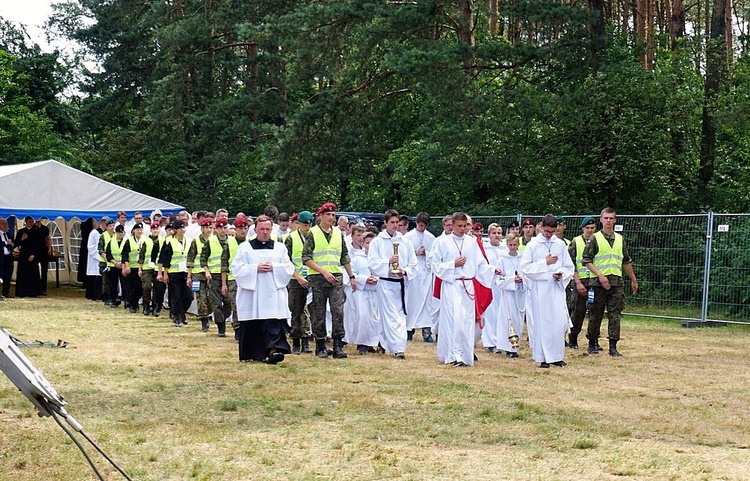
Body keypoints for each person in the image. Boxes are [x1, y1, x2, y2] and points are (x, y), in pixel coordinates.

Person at [431, 212, 499, 367]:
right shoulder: (443, 242)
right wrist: (452, 264)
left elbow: (480, 264)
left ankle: (466, 355)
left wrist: (492, 269)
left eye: (464, 226)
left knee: (467, 321)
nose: (462, 229)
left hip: (468, 286)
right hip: (452, 285)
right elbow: (435, 265)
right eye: (459, 226)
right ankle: (454, 355)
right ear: (452, 225)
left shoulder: (472, 242)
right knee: (454, 320)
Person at [232, 215, 294, 363]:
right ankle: (254, 353)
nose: (265, 232)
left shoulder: (280, 247)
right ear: (255, 230)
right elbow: (237, 269)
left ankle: (274, 351)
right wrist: (255, 268)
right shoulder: (245, 248)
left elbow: (289, 268)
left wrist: (274, 267)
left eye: (268, 229)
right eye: (262, 229)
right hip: (252, 295)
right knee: (254, 323)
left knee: (272, 322)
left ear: (272, 229)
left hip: (273, 293)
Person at [582, 207, 639, 357]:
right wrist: (600, 276)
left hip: (616, 282)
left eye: (611, 218)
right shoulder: (595, 238)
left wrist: (633, 279)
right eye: (605, 218)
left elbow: (626, 261)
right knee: (596, 313)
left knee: (615, 314)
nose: (608, 221)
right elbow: (586, 260)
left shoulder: (620, 239)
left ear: (615, 220)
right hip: (598, 282)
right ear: (601, 219)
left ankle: (613, 346)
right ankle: (592, 342)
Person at [302, 202, 357, 359]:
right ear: (321, 216)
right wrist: (323, 271)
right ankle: (320, 345)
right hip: (318, 277)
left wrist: (351, 276)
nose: (331, 218)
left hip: (336, 277)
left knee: (338, 311)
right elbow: (306, 258)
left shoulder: (338, 234)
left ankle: (338, 344)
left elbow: (344, 256)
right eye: (328, 215)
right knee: (318, 311)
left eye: (333, 215)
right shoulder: (313, 233)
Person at [520, 214, 574, 368]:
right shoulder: (533, 245)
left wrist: (561, 273)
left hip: (555, 288)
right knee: (543, 322)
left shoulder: (560, 244)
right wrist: (545, 263)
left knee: (558, 322)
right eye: (547, 231)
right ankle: (543, 356)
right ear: (542, 227)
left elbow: (568, 266)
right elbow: (525, 268)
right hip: (540, 288)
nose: (549, 235)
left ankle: (557, 356)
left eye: (552, 231)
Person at [368, 210, 417, 359]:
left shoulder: (405, 241)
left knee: (399, 315)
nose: (395, 226)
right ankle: (397, 348)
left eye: (397, 223)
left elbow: (413, 263)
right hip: (385, 283)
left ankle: (388, 344)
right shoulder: (377, 241)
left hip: (401, 284)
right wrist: (387, 263)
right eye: (392, 223)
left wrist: (405, 271)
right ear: (385, 223)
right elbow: (372, 263)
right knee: (389, 316)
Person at [403, 211, 437, 343]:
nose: (422, 228)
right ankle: (409, 330)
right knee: (412, 301)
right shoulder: (408, 237)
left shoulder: (431, 238)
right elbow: (404, 254)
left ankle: (426, 331)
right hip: (414, 273)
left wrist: (427, 253)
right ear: (416, 223)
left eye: (425, 226)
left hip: (426, 272)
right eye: (421, 225)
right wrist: (416, 252)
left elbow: (434, 255)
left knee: (427, 302)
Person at [284, 210, 314, 354]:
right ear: (298, 224)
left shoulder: (314, 236)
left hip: (312, 277)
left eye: (309, 224)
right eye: (304, 224)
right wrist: (297, 277)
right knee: (296, 310)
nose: (307, 227)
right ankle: (296, 341)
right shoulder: (291, 238)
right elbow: (287, 261)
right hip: (295, 279)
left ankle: (306, 341)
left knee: (308, 311)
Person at [344, 230, 379, 354]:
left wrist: (376, 279)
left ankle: (373, 343)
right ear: (363, 244)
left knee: (376, 319)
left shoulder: (378, 259)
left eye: (372, 243)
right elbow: (352, 274)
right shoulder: (358, 258)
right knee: (363, 318)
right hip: (363, 293)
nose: (370, 245)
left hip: (376, 293)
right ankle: (362, 343)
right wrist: (364, 279)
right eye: (367, 243)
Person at [567, 216, 597, 349]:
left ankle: (593, 339)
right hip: (581, 280)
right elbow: (570, 263)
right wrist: (577, 281)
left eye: (592, 228)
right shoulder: (576, 241)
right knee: (578, 311)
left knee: (595, 311)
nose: (590, 230)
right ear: (583, 228)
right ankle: (573, 338)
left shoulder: (598, 240)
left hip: (595, 280)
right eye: (587, 228)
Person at [494, 233, 525, 357]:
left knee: (518, 319)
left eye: (515, 245)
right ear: (507, 244)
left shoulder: (522, 258)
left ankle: (516, 346)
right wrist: (512, 279)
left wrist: (522, 279)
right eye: (510, 245)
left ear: (518, 244)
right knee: (508, 319)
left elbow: (527, 273)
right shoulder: (502, 259)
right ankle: (509, 347)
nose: (513, 247)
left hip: (520, 292)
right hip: (508, 294)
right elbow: (499, 279)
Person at [202, 217, 233, 338]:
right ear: (216, 229)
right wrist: (206, 271)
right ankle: (221, 328)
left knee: (228, 303)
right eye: (220, 228)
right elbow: (203, 259)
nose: (222, 230)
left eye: (224, 227)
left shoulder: (231, 241)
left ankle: (223, 319)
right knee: (216, 303)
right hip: (214, 275)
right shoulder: (210, 241)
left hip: (228, 275)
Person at [158, 220, 192, 327]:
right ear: (175, 230)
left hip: (186, 272)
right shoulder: (169, 241)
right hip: (174, 272)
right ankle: (177, 316)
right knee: (176, 295)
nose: (182, 230)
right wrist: (165, 274)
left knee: (188, 296)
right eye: (180, 228)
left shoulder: (189, 240)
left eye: (183, 227)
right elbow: (164, 259)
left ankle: (183, 312)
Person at [187, 217, 214, 332]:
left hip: (212, 273)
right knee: (200, 297)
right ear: (202, 228)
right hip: (197, 273)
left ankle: (209, 313)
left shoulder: (215, 240)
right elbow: (190, 259)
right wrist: (189, 276)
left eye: (210, 227)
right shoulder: (195, 241)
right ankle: (204, 320)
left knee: (211, 298)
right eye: (206, 227)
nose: (208, 230)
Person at [14, 216, 43, 298]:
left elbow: (39, 245)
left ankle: (33, 292)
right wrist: (21, 239)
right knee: (23, 274)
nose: (31, 223)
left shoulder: (37, 232)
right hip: (23, 256)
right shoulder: (21, 232)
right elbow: (16, 243)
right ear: (26, 222)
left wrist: (34, 254)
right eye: (29, 222)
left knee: (33, 274)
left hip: (33, 256)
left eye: (32, 221)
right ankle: (22, 292)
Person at [121, 223, 145, 313]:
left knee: (140, 287)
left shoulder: (145, 240)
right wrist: (126, 266)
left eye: (141, 230)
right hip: (132, 267)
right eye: (137, 230)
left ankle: (135, 302)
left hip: (142, 267)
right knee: (132, 287)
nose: (139, 231)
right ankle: (132, 304)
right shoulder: (129, 241)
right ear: (134, 231)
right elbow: (125, 255)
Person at [138, 221, 161, 315]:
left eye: (157, 229)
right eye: (154, 229)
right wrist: (140, 268)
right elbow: (141, 255)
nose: (155, 231)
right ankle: (146, 304)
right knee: (146, 286)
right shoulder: (146, 241)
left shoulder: (163, 240)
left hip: (158, 268)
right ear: (151, 230)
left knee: (157, 288)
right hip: (147, 267)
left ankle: (155, 306)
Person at [105, 224, 127, 308]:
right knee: (113, 284)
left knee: (124, 284)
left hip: (123, 266)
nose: (120, 234)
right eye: (118, 232)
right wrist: (115, 263)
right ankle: (113, 300)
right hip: (113, 266)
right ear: (116, 233)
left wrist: (122, 263)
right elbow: (108, 255)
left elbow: (126, 254)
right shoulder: (111, 242)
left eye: (122, 232)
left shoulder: (126, 242)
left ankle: (126, 300)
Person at [0, 217, 15, 300]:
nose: (5, 226)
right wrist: (6, 242)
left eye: (6, 224)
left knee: (7, 276)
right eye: (3, 224)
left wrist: (12, 244)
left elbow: (13, 244)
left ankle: (5, 293)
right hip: (0, 257)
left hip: (8, 258)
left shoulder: (9, 235)